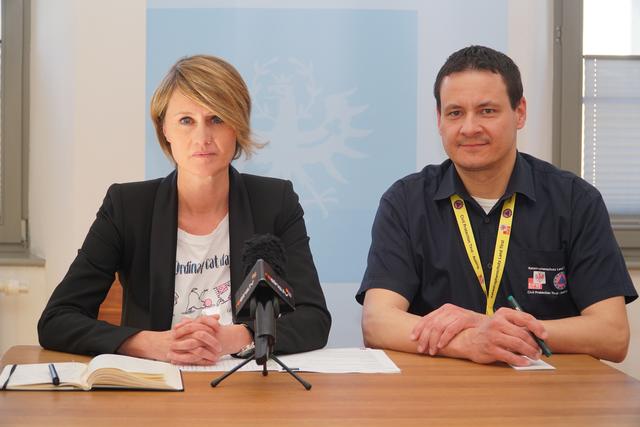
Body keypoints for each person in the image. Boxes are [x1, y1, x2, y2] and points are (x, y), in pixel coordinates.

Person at [38, 55, 331, 365]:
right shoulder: (128, 206)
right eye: (186, 120)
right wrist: (150, 343)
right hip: (156, 386)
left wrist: (239, 337)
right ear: (164, 129)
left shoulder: (274, 201)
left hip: (245, 385)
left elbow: (314, 318)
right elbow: (57, 320)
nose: (202, 138)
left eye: (217, 119)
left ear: (238, 125)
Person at [357, 45, 637, 366]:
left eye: (487, 111)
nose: (469, 127)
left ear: (520, 113)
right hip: (438, 396)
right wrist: (469, 341)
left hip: (549, 399)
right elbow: (377, 323)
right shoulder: (406, 201)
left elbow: (613, 335)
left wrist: (497, 331)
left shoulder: (575, 200)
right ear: (439, 120)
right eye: (455, 112)